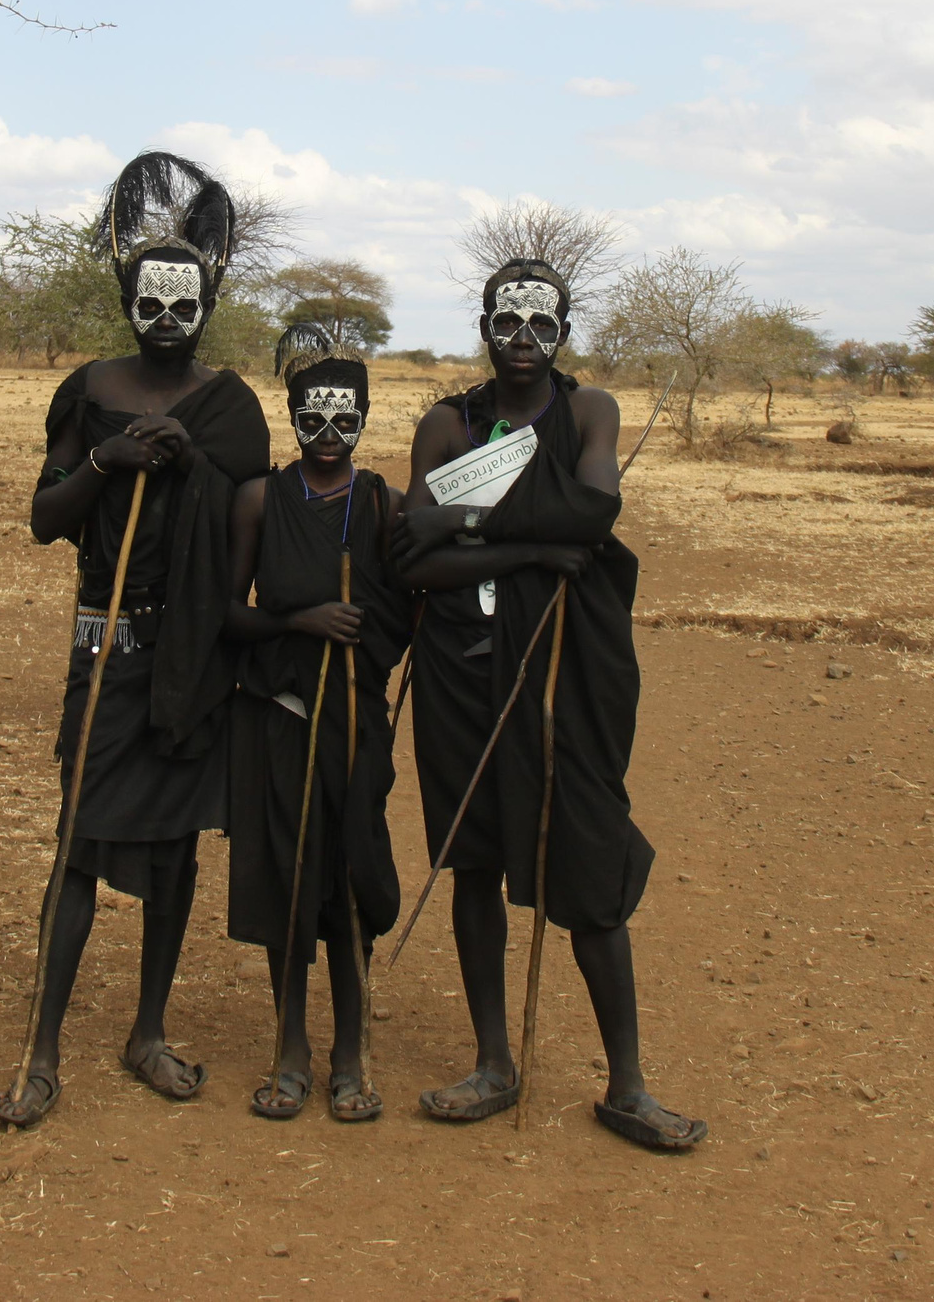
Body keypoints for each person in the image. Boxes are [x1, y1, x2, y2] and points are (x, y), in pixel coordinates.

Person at [394, 257, 706, 1151]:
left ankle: (628, 1085)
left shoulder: (588, 412)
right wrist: (528, 550)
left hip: (563, 673)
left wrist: (469, 523)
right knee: (472, 861)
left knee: (590, 861)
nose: (523, 342)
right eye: (507, 323)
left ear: (563, 333)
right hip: (461, 670)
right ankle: (494, 1061)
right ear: (483, 326)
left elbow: (595, 513)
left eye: (542, 326)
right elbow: (414, 556)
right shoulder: (447, 425)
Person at [0, 153, 270, 1130]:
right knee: (75, 848)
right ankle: (41, 1049)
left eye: (182, 303)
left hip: (187, 657)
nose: (166, 318)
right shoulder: (91, 391)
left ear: (208, 298)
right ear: (125, 297)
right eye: (149, 302)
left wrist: (189, 465)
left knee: (174, 857)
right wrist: (107, 461)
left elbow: (246, 533)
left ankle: (147, 1030)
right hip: (101, 652)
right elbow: (44, 519)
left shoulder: (229, 408)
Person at [223, 329, 408, 1122]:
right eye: (312, 421)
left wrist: (363, 638)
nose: (328, 438)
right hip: (281, 713)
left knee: (350, 869)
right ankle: (291, 1044)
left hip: (355, 717)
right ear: (291, 417)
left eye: (344, 422)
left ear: (365, 420)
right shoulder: (261, 499)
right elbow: (231, 613)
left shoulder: (379, 503)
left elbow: (401, 611)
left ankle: (351, 1049)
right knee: (287, 876)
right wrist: (301, 620)